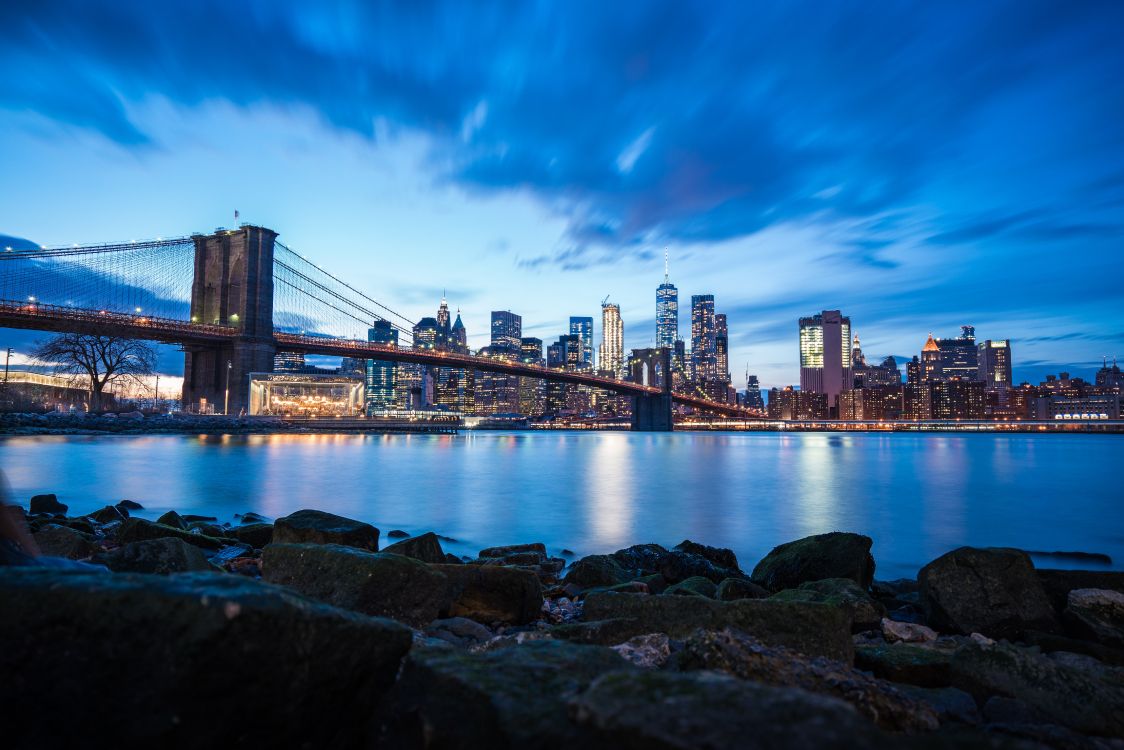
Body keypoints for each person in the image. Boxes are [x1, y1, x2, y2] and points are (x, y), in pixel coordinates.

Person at [0, 470, 106, 570]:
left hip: (10, 557)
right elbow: (4, 517)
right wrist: (35, 556)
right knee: (101, 571)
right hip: (11, 561)